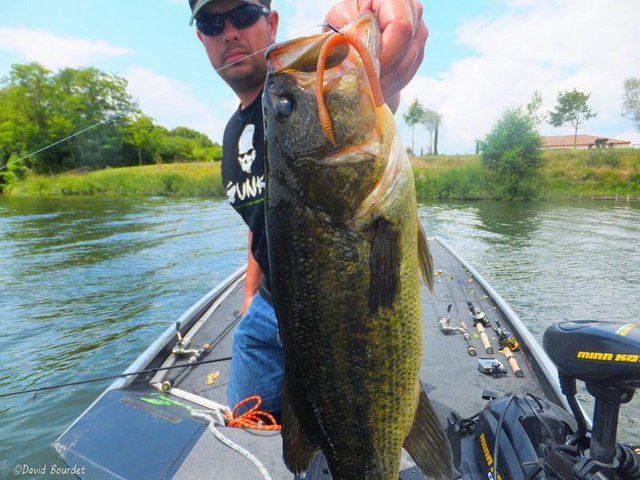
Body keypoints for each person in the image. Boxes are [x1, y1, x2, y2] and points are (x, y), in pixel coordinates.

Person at [189, 0, 428, 419]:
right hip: (265, 310)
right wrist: (248, 297)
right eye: (212, 22)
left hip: (332, 313)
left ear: (272, 21)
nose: (228, 32)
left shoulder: (302, 92)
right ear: (201, 38)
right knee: (248, 422)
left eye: (242, 15)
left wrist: (376, 63)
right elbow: (259, 220)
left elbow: (374, 95)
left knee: (345, 422)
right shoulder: (232, 132)